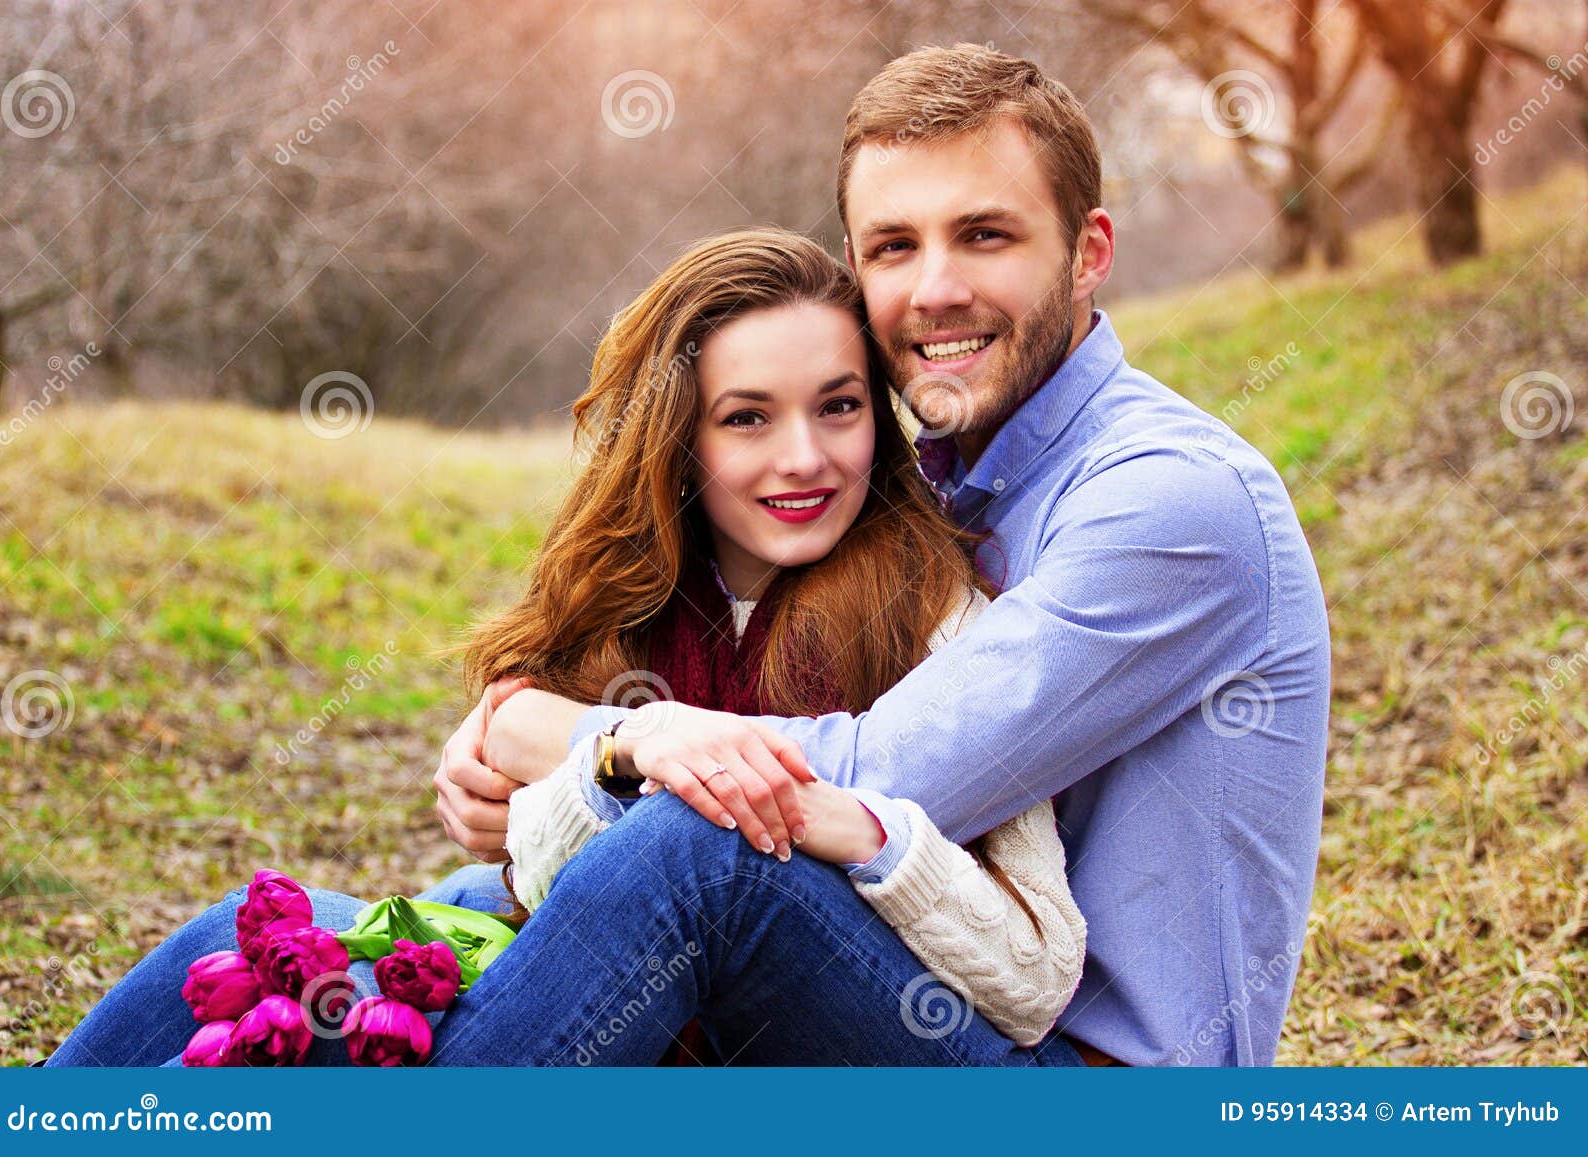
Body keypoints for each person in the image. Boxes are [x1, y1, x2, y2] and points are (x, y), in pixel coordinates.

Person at [436, 43, 1330, 1066]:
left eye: (985, 234)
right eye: (893, 246)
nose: (935, 288)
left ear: (1088, 252)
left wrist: (562, 733)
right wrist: (544, 736)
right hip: (911, 983)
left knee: (694, 856)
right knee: (322, 931)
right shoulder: (939, 480)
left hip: (1080, 1073)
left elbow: (876, 776)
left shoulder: (1168, 500)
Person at [45, 228, 1089, 1067]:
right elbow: (551, 891)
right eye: (746, 418)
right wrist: (623, 740)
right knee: (257, 935)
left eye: (841, 406)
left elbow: (1037, 976)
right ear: (678, 434)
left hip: (926, 1059)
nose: (804, 456)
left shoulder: (941, 612)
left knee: (700, 839)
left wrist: (838, 824)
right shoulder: (633, 608)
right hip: (665, 1047)